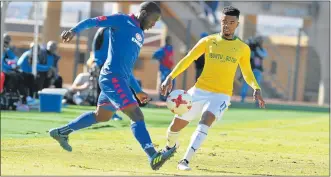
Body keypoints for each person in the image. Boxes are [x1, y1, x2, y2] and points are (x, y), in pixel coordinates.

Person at [48, 1, 176, 171]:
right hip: (112, 78)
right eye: (153, 20)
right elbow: (93, 21)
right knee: (136, 114)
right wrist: (74, 31)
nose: (154, 24)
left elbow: (127, 67)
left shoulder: (140, 34)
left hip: (119, 79)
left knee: (101, 116)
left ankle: (61, 132)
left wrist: (137, 90)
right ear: (144, 13)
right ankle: (153, 155)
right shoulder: (122, 20)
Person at [160, 6, 266, 171]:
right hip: (199, 91)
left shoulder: (242, 48)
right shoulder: (208, 41)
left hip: (221, 95)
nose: (227, 25)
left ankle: (185, 161)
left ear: (237, 24)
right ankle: (169, 147)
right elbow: (189, 58)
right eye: (224, 21)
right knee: (175, 126)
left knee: (206, 120)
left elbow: (247, 72)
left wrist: (256, 88)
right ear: (221, 21)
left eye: (231, 22)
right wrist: (170, 76)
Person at [240, 36, 268, 103]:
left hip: (257, 70)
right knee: (246, 84)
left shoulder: (260, 50)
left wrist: (257, 48)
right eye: (259, 41)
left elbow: (264, 55)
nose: (260, 42)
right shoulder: (250, 50)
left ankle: (257, 101)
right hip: (250, 70)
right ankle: (242, 99)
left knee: (257, 86)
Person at [152, 36, 176, 101]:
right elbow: (154, 55)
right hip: (164, 69)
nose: (170, 41)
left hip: (169, 69)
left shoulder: (170, 49)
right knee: (164, 82)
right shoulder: (164, 49)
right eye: (169, 40)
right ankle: (162, 97)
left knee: (171, 82)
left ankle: (168, 97)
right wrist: (161, 59)